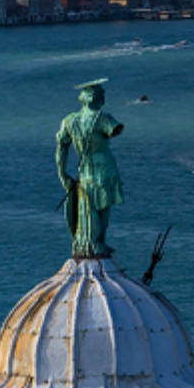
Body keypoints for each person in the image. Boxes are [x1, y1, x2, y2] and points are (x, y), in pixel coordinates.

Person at [56, 79, 125, 258]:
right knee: (102, 207)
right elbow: (115, 129)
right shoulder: (103, 119)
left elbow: (61, 148)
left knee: (87, 205)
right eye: (102, 95)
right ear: (94, 97)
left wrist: (62, 173)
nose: (104, 99)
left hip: (84, 168)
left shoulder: (69, 121)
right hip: (104, 166)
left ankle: (89, 242)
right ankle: (97, 242)